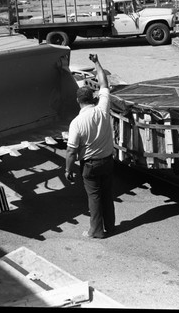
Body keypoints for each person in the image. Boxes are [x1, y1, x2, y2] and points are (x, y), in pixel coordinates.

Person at [65, 54, 115, 239]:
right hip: (108, 161)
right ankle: (110, 226)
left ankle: (96, 231)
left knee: (94, 197)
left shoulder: (76, 123)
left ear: (78, 101)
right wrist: (96, 62)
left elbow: (71, 151)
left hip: (91, 166)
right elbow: (104, 84)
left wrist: (67, 171)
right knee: (107, 195)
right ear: (93, 98)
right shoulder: (102, 108)